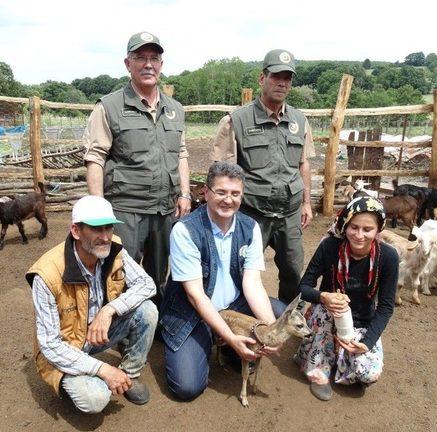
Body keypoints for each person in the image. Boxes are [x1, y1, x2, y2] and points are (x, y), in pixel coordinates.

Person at [159, 162, 285, 400]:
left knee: (277, 314)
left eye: (235, 194)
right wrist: (229, 335)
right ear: (205, 193)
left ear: (242, 195)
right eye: (221, 192)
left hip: (233, 304)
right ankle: (215, 340)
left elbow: (252, 283)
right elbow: (195, 296)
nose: (229, 200)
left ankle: (228, 349)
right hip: (192, 311)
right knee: (186, 388)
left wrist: (271, 331)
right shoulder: (186, 230)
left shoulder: (250, 227)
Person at [83, 31, 191, 306]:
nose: (148, 64)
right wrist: (98, 209)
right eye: (140, 58)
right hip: (126, 209)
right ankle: (117, 328)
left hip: (164, 209)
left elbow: (180, 153)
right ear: (127, 63)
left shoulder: (175, 109)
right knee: (118, 271)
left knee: (159, 273)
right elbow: (95, 156)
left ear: (161, 65)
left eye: (154, 58)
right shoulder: (110, 106)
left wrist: (185, 194)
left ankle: (151, 324)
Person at [26, 195, 158, 414]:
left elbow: (147, 284)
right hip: (67, 348)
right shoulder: (47, 275)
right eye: (97, 229)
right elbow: (50, 345)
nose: (105, 237)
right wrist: (104, 369)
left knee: (147, 311)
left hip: (97, 334)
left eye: (109, 228)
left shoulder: (113, 250)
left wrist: (108, 310)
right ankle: (88, 379)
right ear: (76, 231)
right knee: (96, 399)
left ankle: (128, 376)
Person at [209, 49, 316, 305]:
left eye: (287, 78)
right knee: (240, 269)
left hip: (289, 213)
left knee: (292, 270)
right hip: (251, 213)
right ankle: (235, 320)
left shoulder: (299, 121)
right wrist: (225, 212)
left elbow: (304, 164)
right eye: (276, 76)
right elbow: (222, 173)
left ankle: (289, 323)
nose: (282, 83)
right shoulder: (236, 121)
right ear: (262, 78)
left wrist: (306, 203)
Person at [294, 197, 399, 401]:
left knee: (366, 373)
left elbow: (386, 307)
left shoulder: (388, 257)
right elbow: (304, 287)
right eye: (354, 227)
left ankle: (340, 353)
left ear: (378, 230)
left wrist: (367, 342)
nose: (359, 235)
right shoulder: (330, 247)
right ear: (345, 224)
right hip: (326, 316)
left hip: (361, 322)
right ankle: (320, 371)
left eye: (367, 229)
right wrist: (323, 296)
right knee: (325, 312)